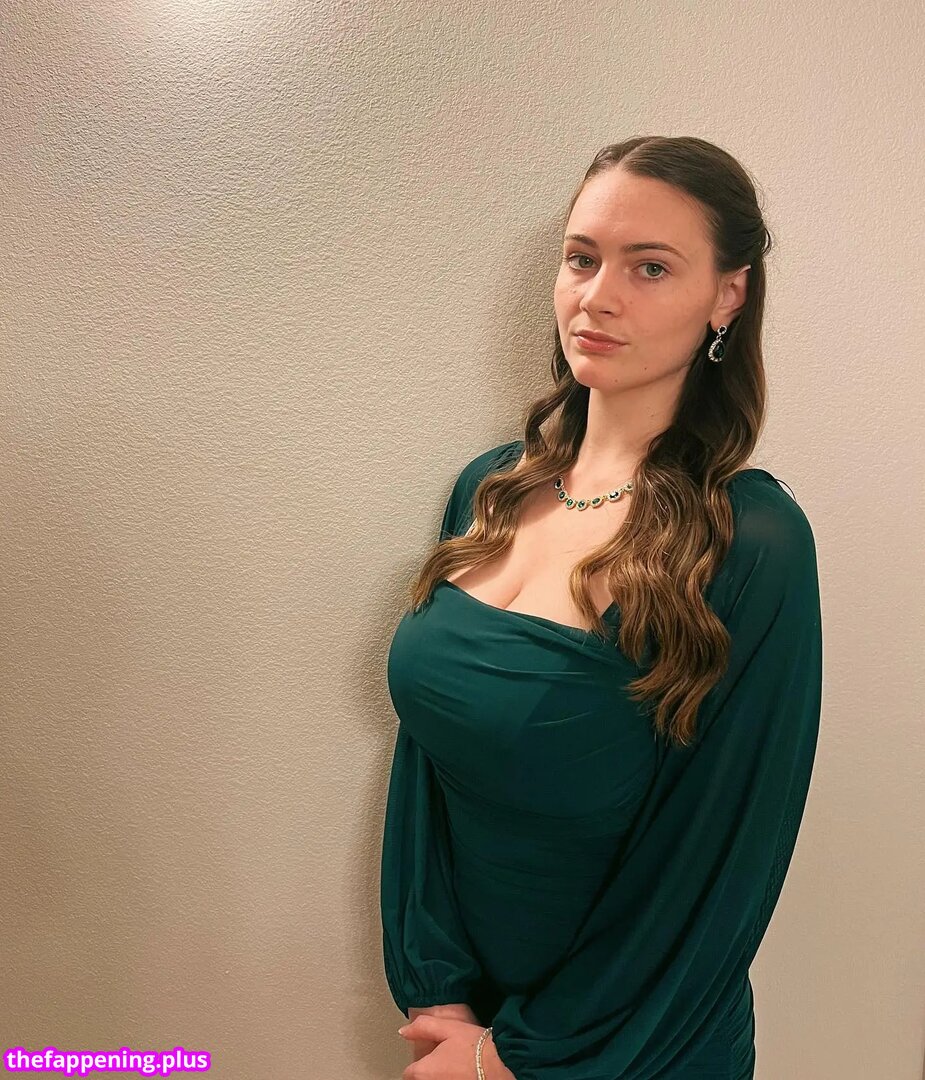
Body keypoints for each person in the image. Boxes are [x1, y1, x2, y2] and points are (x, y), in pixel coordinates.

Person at [379, 135, 823, 1079]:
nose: (597, 296)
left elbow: (717, 863)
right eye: (581, 259)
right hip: (461, 1025)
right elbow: (428, 759)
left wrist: (508, 1058)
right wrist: (435, 991)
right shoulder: (488, 490)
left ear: (727, 295)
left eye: (649, 267)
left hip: (635, 1046)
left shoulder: (752, 543)